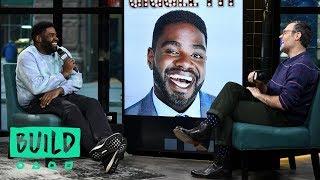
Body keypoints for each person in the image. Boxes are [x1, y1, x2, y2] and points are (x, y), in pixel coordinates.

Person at [173, 21, 319, 178]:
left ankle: (213, 149)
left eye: (285, 32)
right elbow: (271, 90)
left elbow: (284, 103)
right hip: (274, 111)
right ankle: (213, 146)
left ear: (297, 36)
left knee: (228, 109)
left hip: (283, 117)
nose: (280, 36)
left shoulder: (302, 66)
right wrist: (259, 84)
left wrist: (258, 95)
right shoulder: (288, 63)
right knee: (231, 90)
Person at [16, 21, 126, 173]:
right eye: (51, 36)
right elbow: (36, 88)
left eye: (56, 35)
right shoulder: (26, 57)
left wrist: (59, 90)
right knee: (70, 109)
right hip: (35, 101)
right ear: (38, 39)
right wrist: (63, 74)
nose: (56, 39)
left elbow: (77, 80)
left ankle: (105, 142)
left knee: (92, 103)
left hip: (59, 94)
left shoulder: (61, 52)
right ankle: (97, 150)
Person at [125, 10, 215, 118]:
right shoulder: (129, 116)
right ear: (151, 58)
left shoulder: (229, 116)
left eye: (196, 55)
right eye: (172, 51)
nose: (185, 63)